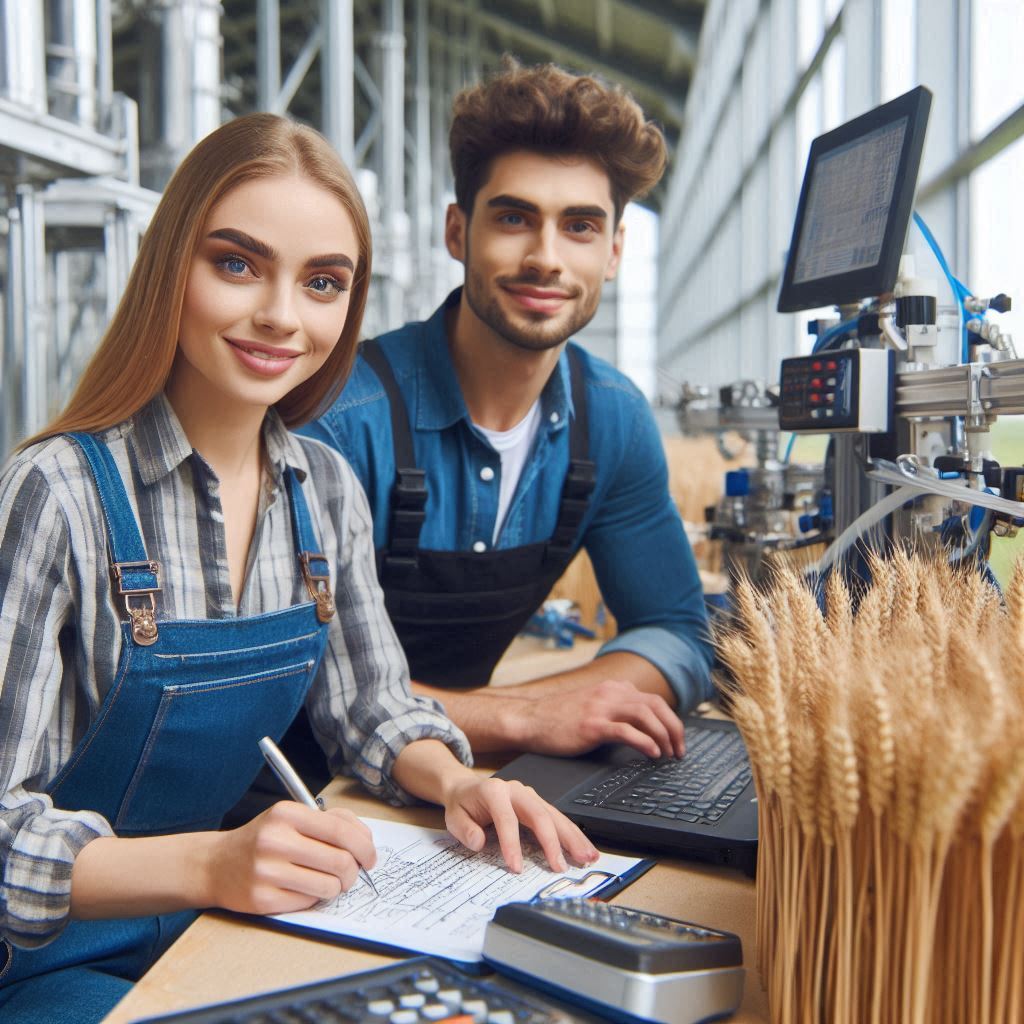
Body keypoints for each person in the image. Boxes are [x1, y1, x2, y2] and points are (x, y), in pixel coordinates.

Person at [0, 113, 597, 1023]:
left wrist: (462, 783)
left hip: (220, 928)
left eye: (323, 282)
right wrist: (214, 862)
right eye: (236, 263)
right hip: (41, 964)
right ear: (171, 268)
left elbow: (372, 705)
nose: (282, 314)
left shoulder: (321, 486)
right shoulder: (57, 492)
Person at [301, 61, 714, 764]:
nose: (546, 258)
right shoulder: (340, 421)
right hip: (301, 803)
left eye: (580, 226)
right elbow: (291, 685)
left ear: (613, 252)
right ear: (458, 233)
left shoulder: (612, 421)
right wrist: (525, 717)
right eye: (515, 218)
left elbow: (678, 632)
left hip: (458, 788)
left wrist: (563, 706)